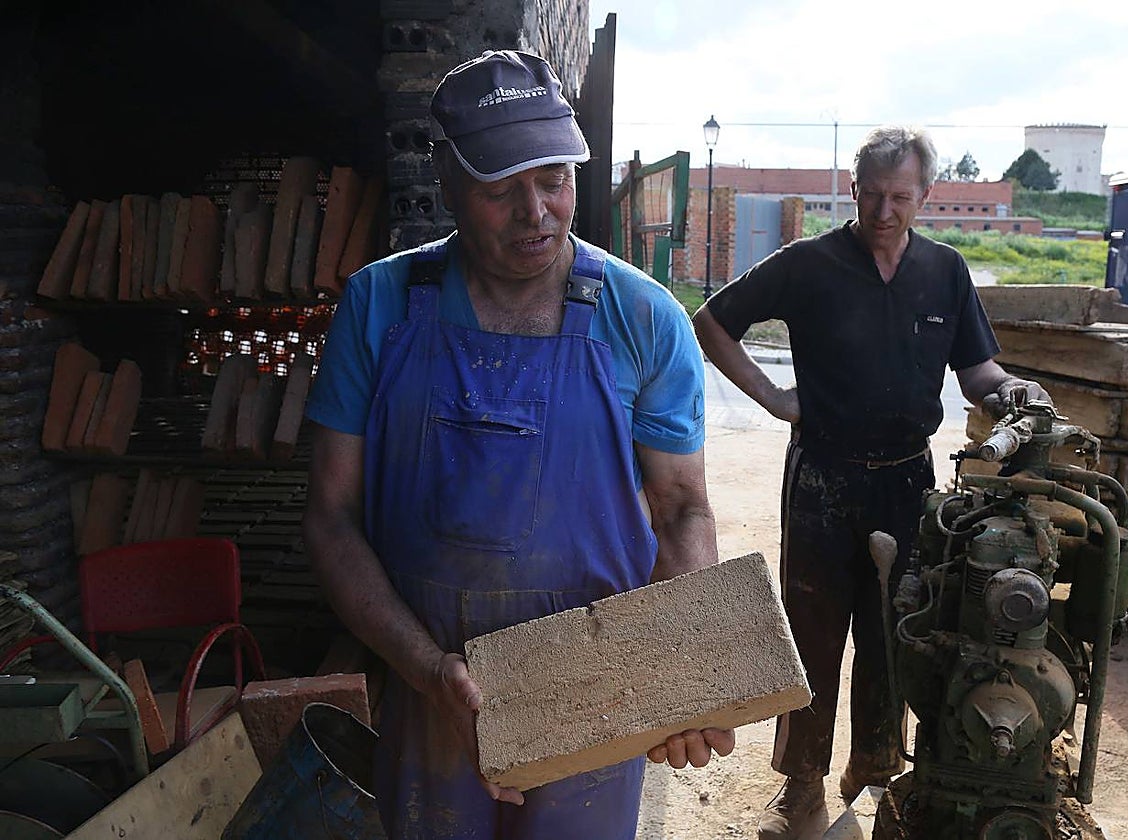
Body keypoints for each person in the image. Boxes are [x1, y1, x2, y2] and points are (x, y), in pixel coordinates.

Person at [302, 49, 734, 840]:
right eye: (502, 190)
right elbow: (331, 515)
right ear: (448, 184)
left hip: (597, 699)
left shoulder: (643, 317)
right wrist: (428, 672)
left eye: (555, 180)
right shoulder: (380, 305)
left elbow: (680, 509)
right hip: (429, 687)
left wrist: (680, 670)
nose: (538, 212)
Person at [691, 125, 1051, 840]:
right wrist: (775, 399)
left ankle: (875, 771)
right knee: (813, 632)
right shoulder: (808, 265)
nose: (884, 211)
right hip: (822, 477)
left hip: (907, 481)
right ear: (853, 191)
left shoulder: (945, 270)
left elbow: (976, 370)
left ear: (924, 196)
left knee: (900, 632)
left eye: (899, 196)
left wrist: (1011, 390)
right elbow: (712, 321)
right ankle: (800, 788)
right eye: (871, 195)